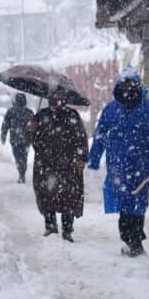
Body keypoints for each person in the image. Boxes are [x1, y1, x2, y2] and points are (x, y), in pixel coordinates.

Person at [88, 68, 149, 257]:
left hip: (140, 167)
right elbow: (100, 136)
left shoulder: (148, 109)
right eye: (124, 86)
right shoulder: (113, 110)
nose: (128, 90)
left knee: (137, 204)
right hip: (121, 167)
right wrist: (94, 157)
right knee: (127, 204)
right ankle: (132, 239)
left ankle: (134, 240)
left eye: (131, 86)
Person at [27, 93, 88, 241]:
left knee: (69, 195)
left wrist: (81, 158)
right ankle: (51, 227)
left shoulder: (72, 115)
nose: (53, 100)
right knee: (47, 194)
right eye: (50, 97)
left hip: (68, 164)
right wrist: (31, 129)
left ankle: (67, 230)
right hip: (46, 164)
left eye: (56, 97)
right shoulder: (41, 116)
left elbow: (81, 138)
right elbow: (31, 140)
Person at [2, 93, 34, 183]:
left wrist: (3, 135)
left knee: (17, 156)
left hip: (15, 139)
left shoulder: (11, 111)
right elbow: (34, 127)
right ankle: (22, 173)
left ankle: (21, 173)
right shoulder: (29, 112)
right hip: (26, 140)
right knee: (24, 157)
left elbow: (5, 124)